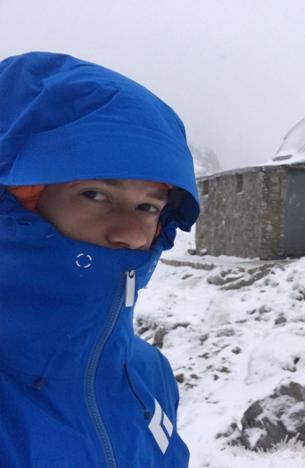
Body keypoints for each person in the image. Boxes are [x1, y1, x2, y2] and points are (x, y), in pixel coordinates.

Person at [0, 52, 199, 467]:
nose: (129, 234)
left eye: (148, 207)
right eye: (95, 195)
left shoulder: (150, 374)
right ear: (17, 203)